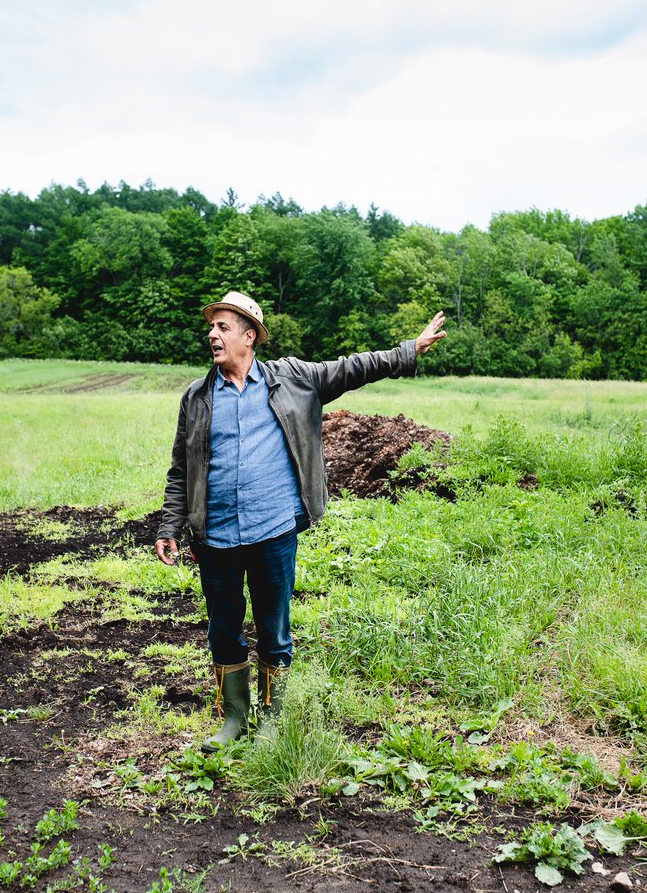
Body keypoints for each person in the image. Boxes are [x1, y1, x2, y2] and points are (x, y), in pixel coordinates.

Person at [155, 291, 446, 751]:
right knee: (223, 629)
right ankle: (233, 720)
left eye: (223, 327)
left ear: (249, 336)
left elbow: (352, 368)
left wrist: (409, 349)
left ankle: (270, 721)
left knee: (273, 629)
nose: (212, 335)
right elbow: (181, 468)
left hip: (273, 530)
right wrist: (170, 526)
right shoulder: (196, 397)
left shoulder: (292, 379)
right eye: (211, 328)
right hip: (215, 536)